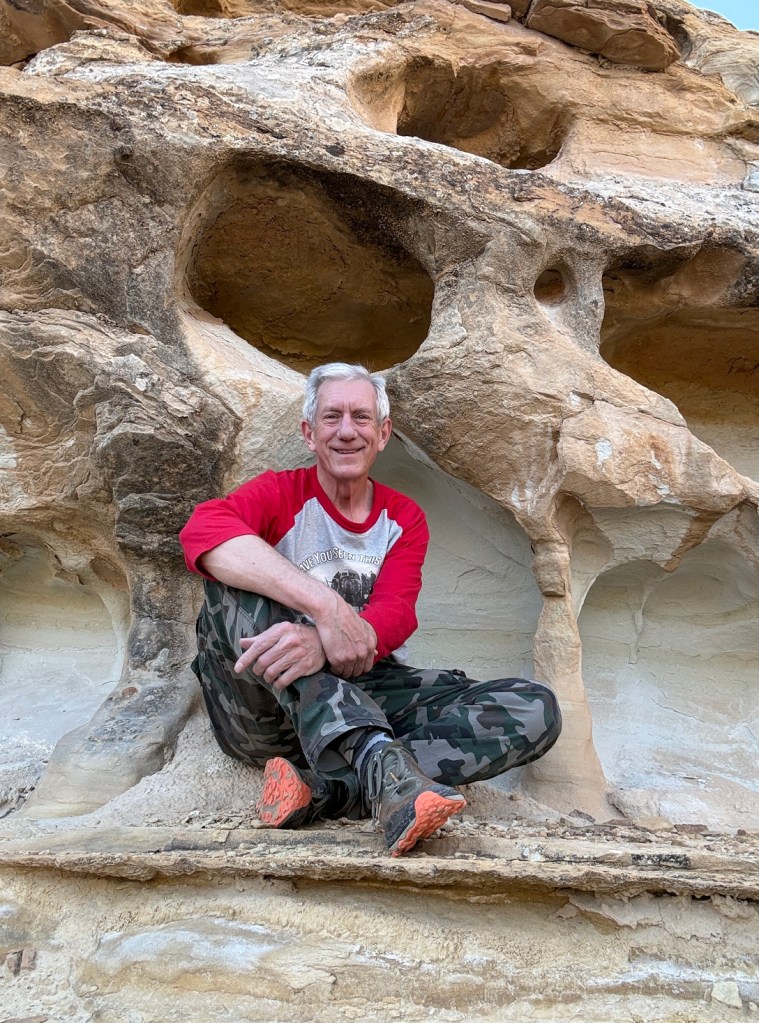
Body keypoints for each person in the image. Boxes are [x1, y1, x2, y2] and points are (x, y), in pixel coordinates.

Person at [179, 362, 561, 856]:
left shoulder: (402, 517)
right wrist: (324, 608)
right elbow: (203, 531)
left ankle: (330, 791)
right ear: (309, 433)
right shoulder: (279, 493)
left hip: (363, 689)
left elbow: (396, 613)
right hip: (265, 713)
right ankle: (379, 763)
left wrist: (323, 644)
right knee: (231, 587)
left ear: (382, 434)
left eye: (361, 418)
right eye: (331, 417)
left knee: (534, 707)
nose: (346, 431)